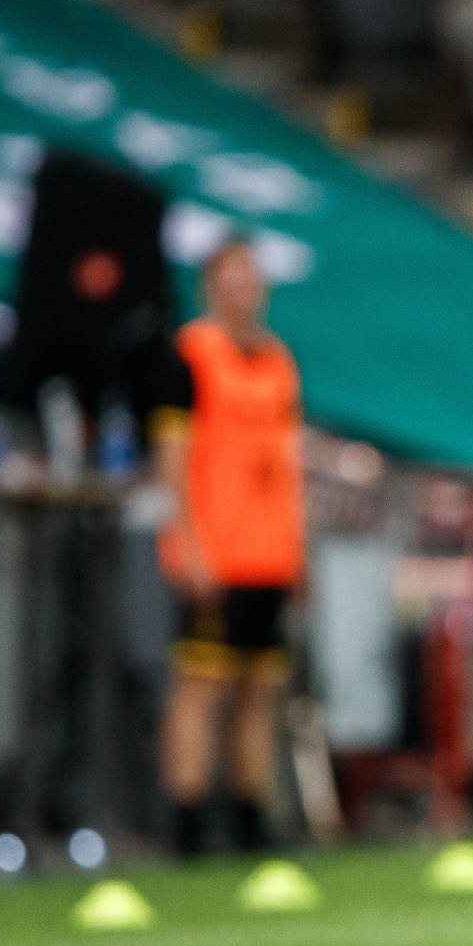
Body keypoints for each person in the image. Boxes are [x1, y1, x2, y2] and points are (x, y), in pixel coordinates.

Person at [151, 236, 306, 856]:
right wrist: (186, 545)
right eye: (232, 276)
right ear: (212, 286)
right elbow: (172, 461)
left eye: (252, 276)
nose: (245, 288)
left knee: (259, 689)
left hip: (270, 554)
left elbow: (288, 464)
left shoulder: (278, 362)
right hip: (214, 551)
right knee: (200, 687)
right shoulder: (189, 356)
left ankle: (249, 817)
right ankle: (186, 820)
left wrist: (300, 551)